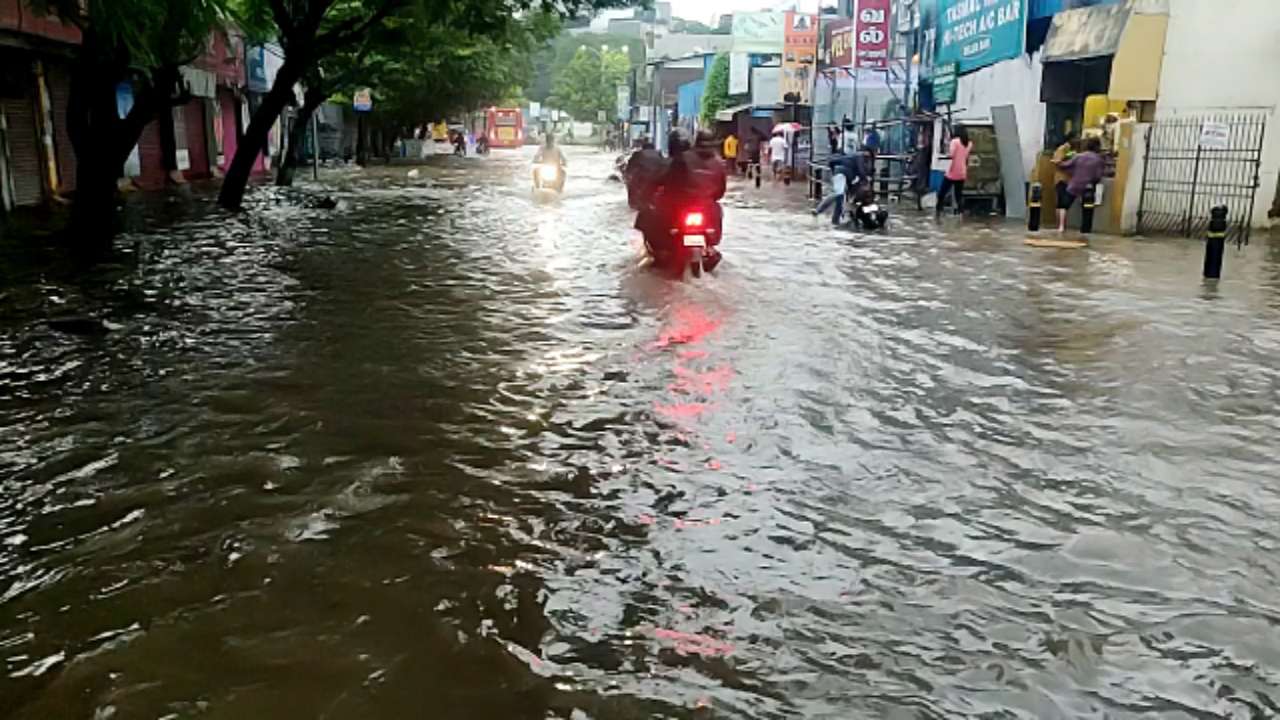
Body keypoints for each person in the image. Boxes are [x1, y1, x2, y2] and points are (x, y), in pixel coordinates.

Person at [1055, 137, 1106, 232]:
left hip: (1075, 184)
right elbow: (1098, 175)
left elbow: (1065, 165)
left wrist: (1058, 163)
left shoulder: (1079, 156)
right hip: (1088, 187)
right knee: (1087, 208)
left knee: (1064, 205)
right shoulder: (1099, 159)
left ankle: (1061, 227)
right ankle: (1085, 229)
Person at [814, 150, 868, 225]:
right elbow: (861, 172)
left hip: (841, 175)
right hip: (842, 175)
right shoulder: (859, 158)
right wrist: (865, 180)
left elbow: (833, 163)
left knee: (838, 195)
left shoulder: (852, 157)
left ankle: (821, 212)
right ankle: (834, 219)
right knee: (839, 195)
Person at [936, 126, 971, 218]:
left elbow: (951, 154)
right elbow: (966, 157)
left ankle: (938, 212)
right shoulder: (969, 143)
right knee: (958, 195)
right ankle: (960, 214)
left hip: (952, 172)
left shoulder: (955, 142)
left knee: (941, 193)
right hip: (962, 173)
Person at [1051, 133, 1078, 228]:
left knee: (1062, 202)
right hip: (1062, 179)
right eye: (1076, 138)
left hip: (1067, 179)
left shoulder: (1072, 150)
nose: (1077, 140)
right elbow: (1056, 161)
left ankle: (1060, 224)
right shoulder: (1062, 149)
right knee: (1062, 202)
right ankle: (1060, 225)